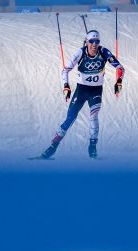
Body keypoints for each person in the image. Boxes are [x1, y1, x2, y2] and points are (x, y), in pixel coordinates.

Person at [39, 30, 124, 160]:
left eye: (97, 41)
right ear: (87, 42)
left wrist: (118, 82)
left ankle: (92, 147)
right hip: (81, 90)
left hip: (96, 91)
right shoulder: (80, 52)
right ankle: (53, 146)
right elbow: (65, 70)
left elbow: (120, 68)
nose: (94, 44)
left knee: (94, 116)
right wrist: (66, 86)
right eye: (91, 41)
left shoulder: (103, 52)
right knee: (70, 118)